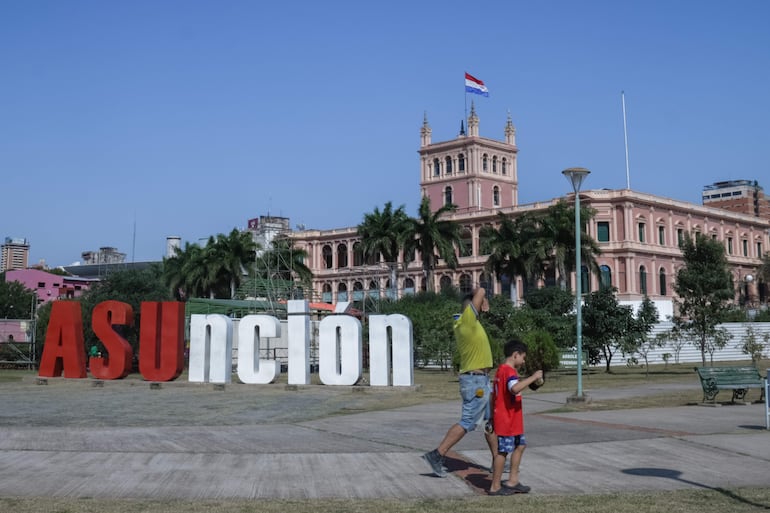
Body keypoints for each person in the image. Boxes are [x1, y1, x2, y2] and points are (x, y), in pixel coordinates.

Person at [422, 287, 497, 477]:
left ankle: (498, 461)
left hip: (481, 380)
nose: (484, 305)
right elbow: (480, 290)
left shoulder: (469, 322)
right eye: (481, 304)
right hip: (475, 383)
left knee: (490, 422)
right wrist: (481, 298)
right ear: (472, 307)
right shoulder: (467, 322)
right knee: (467, 422)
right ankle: (437, 454)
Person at [488, 337, 542, 495]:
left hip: (513, 420)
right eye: (523, 357)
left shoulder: (500, 370)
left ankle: (513, 481)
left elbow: (494, 396)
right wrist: (533, 377)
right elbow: (514, 388)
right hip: (507, 420)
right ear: (515, 355)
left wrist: (492, 415)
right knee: (502, 452)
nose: (524, 361)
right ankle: (495, 486)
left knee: (520, 445)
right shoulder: (509, 371)